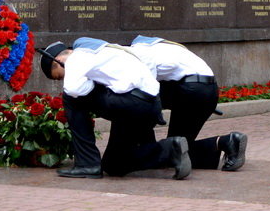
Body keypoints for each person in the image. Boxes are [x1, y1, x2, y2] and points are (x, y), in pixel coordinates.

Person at [39, 37, 190, 180]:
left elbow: (74, 89)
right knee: (114, 165)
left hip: (132, 103)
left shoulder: (77, 57)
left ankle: (87, 164)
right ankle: (170, 150)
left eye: (59, 76)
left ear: (58, 61)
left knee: (70, 97)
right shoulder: (105, 50)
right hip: (147, 105)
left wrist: (90, 84)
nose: (63, 79)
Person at [126, 35, 247, 171]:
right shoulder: (168, 48)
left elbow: (147, 87)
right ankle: (226, 142)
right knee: (179, 148)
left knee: (172, 150)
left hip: (189, 89)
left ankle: (144, 151)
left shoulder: (139, 51)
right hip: (209, 88)